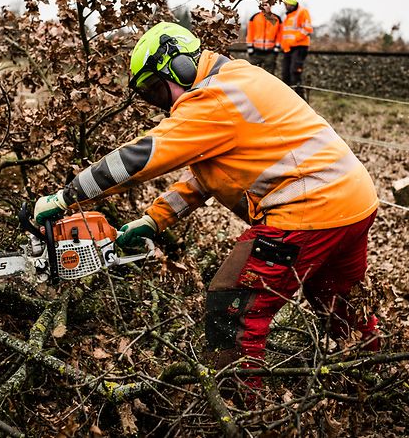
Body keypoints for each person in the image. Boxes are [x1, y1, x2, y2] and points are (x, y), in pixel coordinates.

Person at [34, 21, 380, 392]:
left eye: (155, 90)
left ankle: (245, 411)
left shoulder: (212, 99)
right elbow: (208, 178)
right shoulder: (235, 80)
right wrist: (153, 220)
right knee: (339, 302)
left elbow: (139, 159)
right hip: (354, 204)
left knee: (233, 305)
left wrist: (66, 197)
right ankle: (370, 377)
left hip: (309, 212)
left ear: (178, 66)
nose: (160, 103)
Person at [280, 0, 313, 100]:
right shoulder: (288, 16)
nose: (285, 6)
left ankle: (300, 99)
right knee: (285, 75)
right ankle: (286, 100)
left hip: (299, 47)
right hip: (288, 49)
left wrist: (294, 40)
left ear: (291, 4)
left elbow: (307, 29)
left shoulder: (302, 12)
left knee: (295, 73)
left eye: (286, 4)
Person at [245, 2, 282, 76]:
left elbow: (280, 35)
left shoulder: (276, 19)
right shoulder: (254, 18)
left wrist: (276, 49)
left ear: (271, 5)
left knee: (269, 76)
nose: (265, 6)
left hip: (270, 53)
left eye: (267, 4)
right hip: (255, 52)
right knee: (252, 74)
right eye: (263, 4)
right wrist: (250, 49)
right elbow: (250, 34)